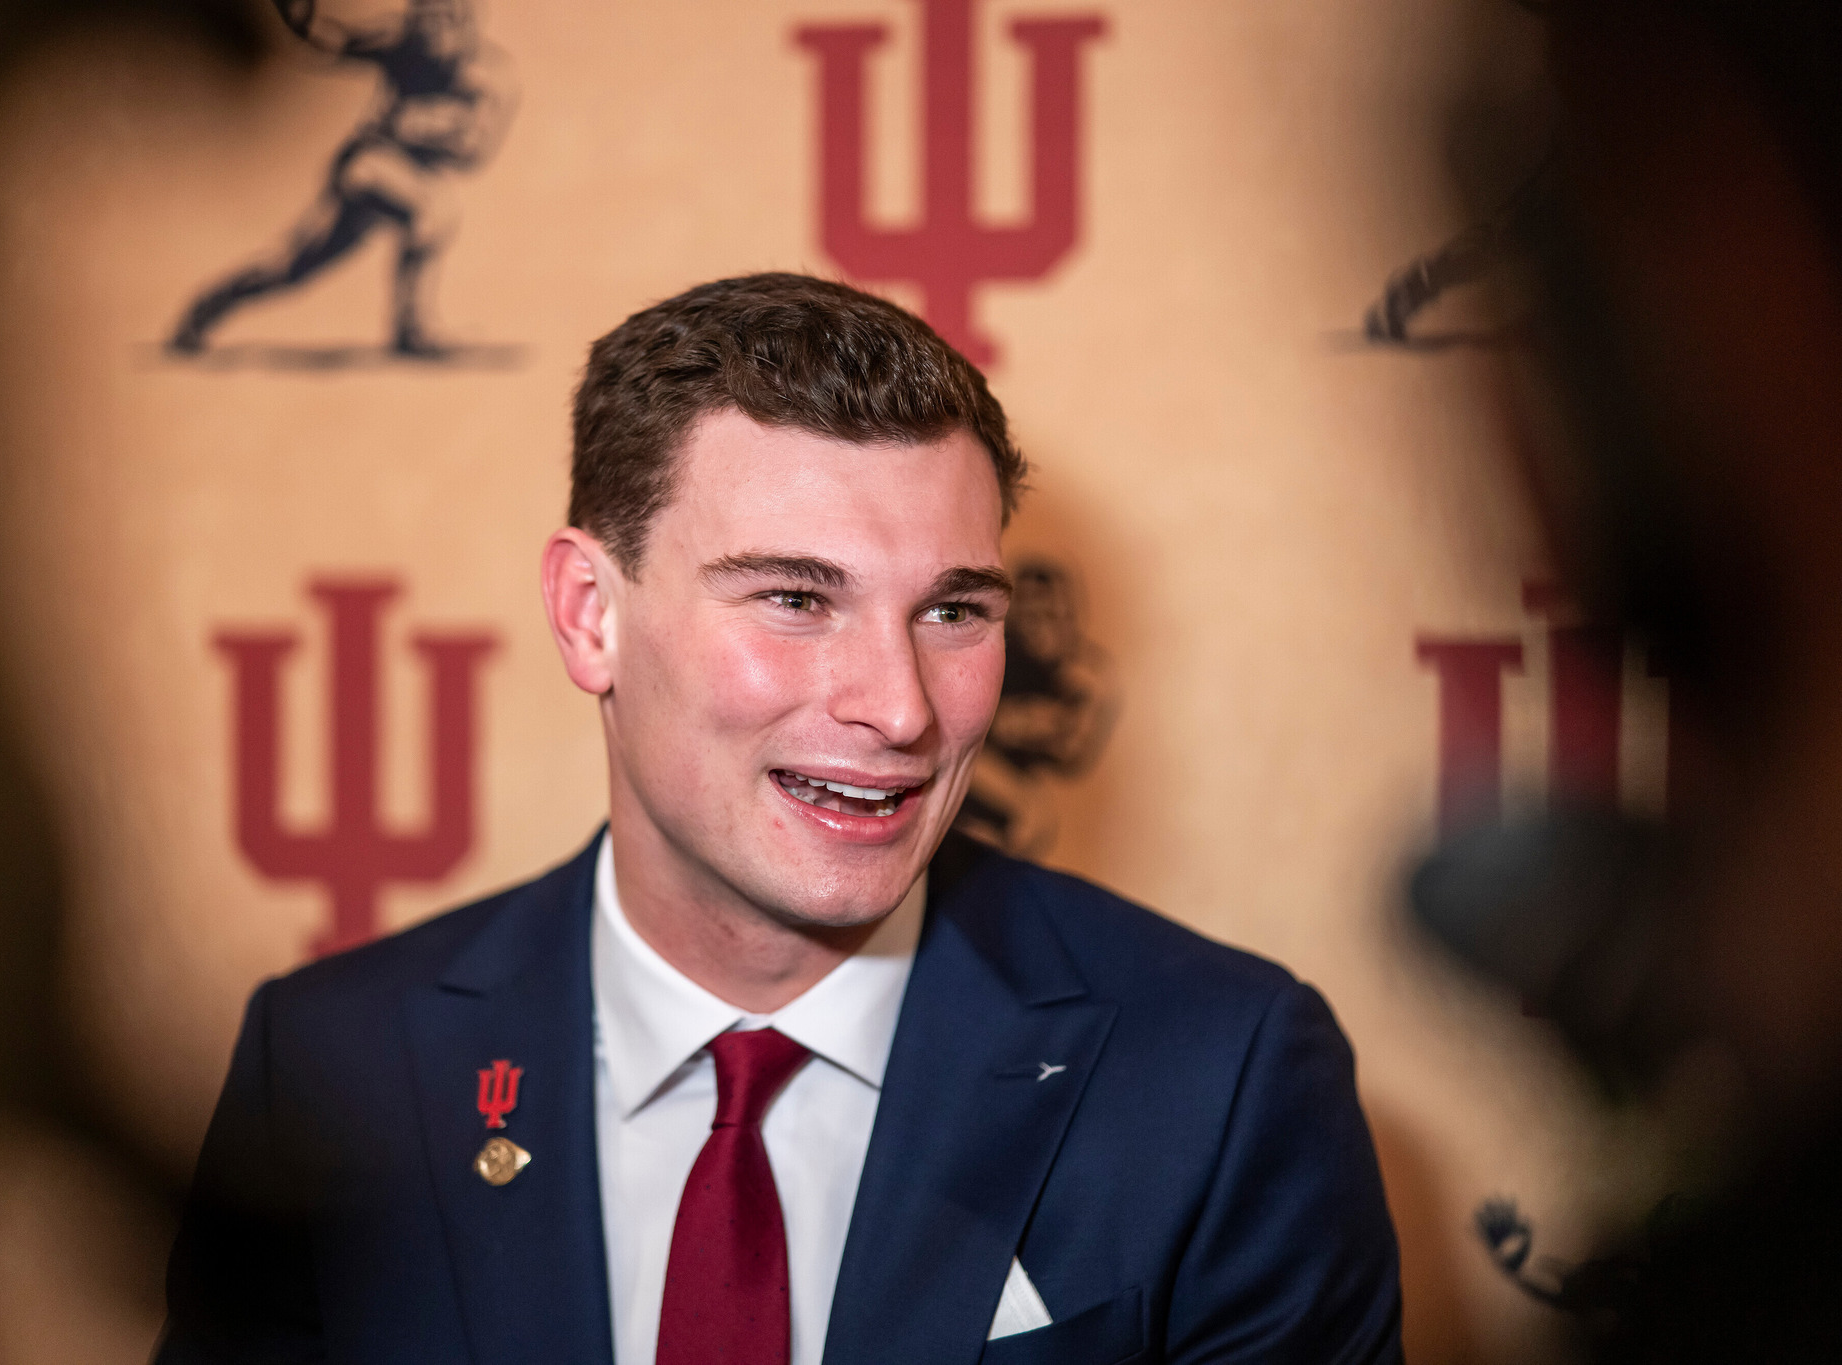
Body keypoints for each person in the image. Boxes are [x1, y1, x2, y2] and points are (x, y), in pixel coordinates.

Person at [156, 273, 1404, 1364]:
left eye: (953, 612)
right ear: (590, 614)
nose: (899, 708)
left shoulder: (1221, 1080)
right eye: (797, 600)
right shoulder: (332, 1070)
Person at [167, 0, 515, 358]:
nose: (434, 31)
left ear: (469, 23)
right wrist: (300, 21)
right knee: (435, 209)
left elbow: (475, 151)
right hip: (368, 164)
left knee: (292, 266)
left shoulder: (490, 78)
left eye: (445, 19)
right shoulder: (399, 40)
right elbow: (335, 43)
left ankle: (208, 307)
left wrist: (419, 129)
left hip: (409, 172)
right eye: (425, 19)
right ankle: (413, 327)